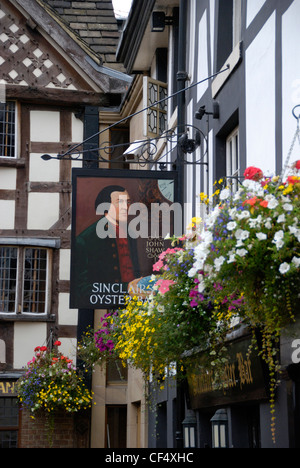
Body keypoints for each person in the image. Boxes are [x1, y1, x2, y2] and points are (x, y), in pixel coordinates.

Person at [71, 185, 140, 309]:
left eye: (128, 202)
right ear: (105, 206)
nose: (126, 207)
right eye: (120, 202)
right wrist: (126, 289)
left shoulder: (129, 231)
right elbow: (83, 288)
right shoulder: (87, 239)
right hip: (111, 303)